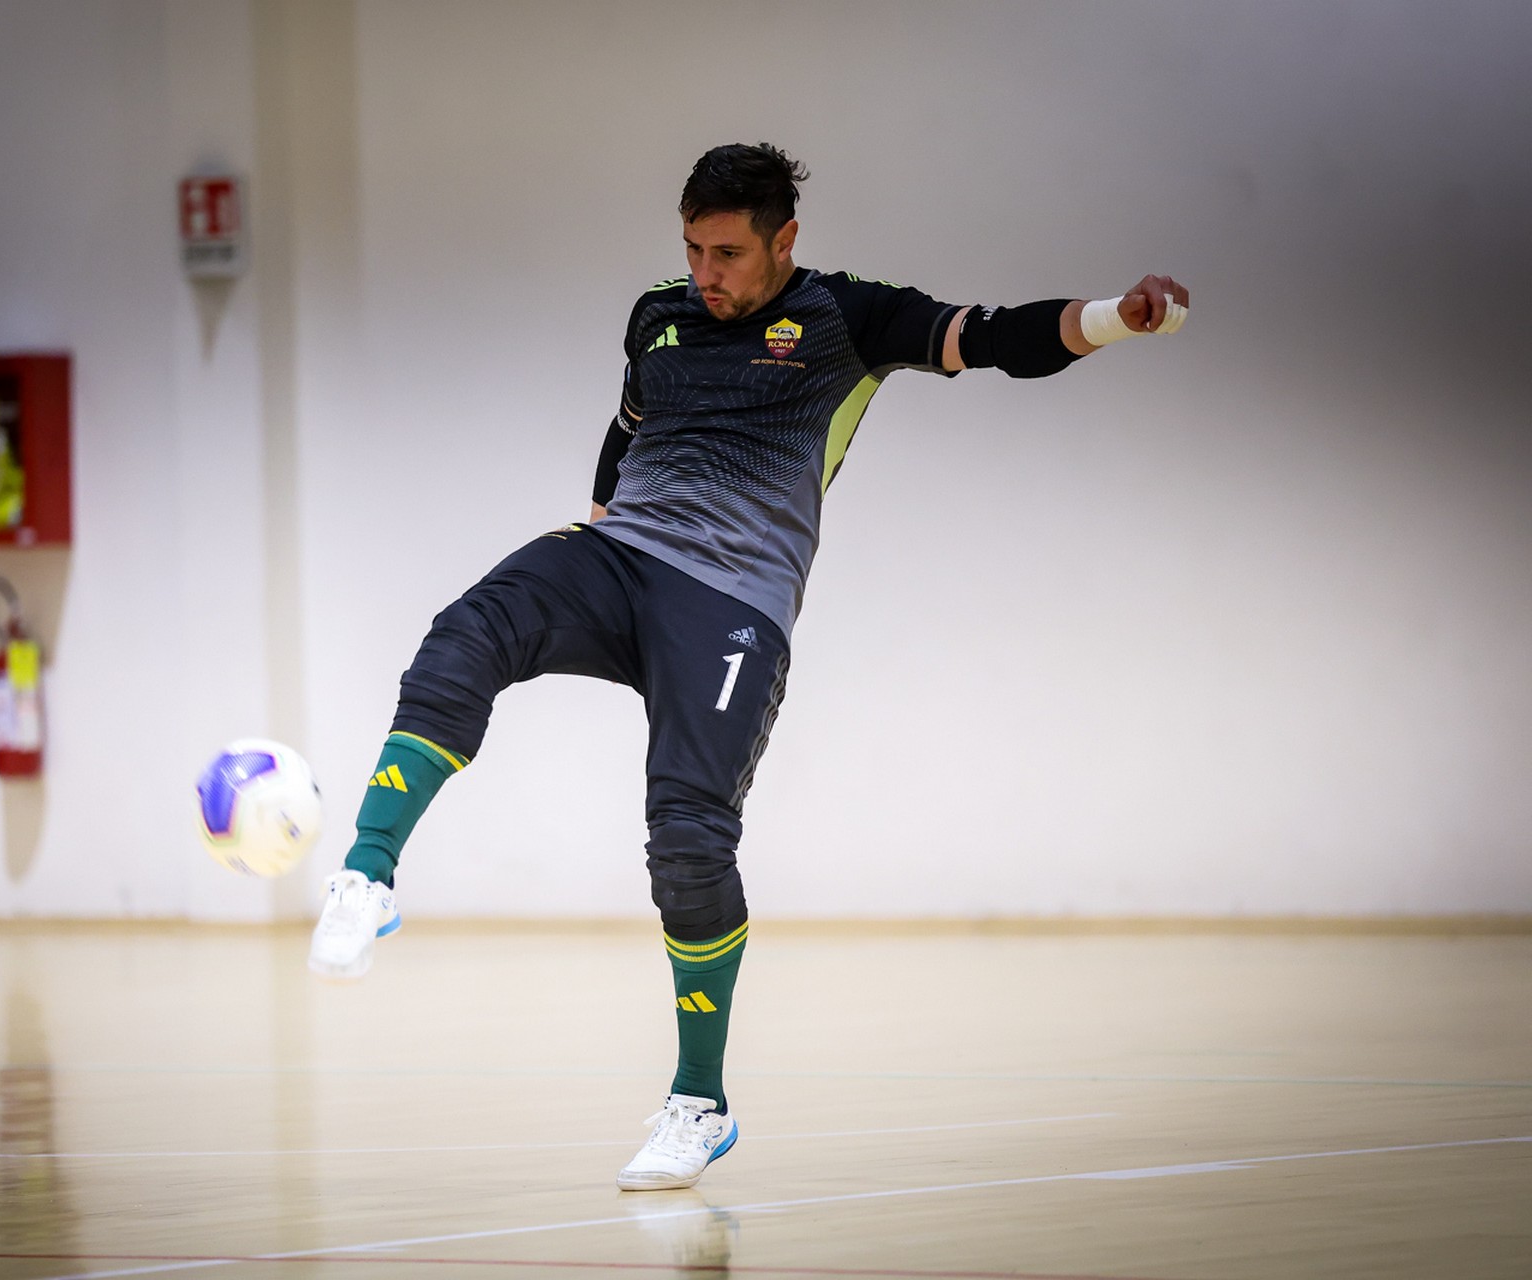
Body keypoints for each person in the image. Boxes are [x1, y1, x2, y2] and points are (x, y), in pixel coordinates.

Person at [306, 143, 1190, 1191]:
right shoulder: (659, 314)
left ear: (784, 240)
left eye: (726, 253)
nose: (705, 273)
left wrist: (1114, 317)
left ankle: (699, 1103)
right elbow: (630, 425)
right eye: (692, 249)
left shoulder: (846, 316)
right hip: (620, 557)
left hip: (732, 602)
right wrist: (594, 537)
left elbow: (999, 338)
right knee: (466, 633)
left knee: (686, 839)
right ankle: (367, 872)